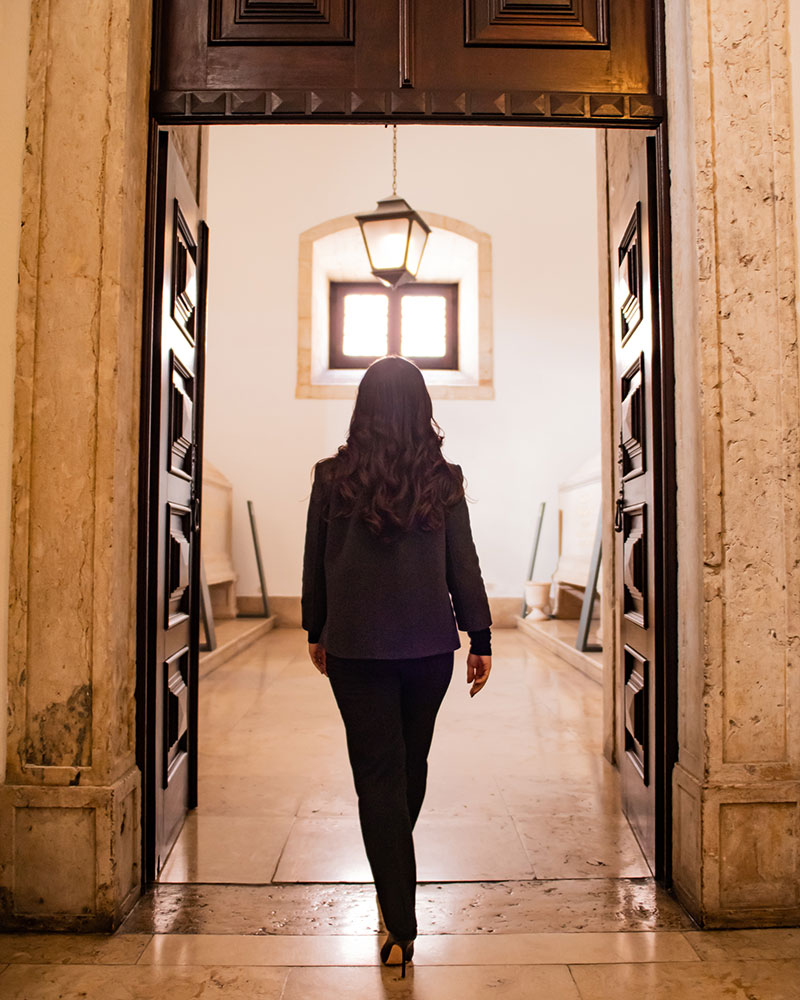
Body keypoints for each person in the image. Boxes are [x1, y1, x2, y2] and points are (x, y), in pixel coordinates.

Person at [301, 355, 492, 977]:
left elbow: (316, 560)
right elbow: (463, 560)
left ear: (362, 408)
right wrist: (479, 632)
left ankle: (395, 911)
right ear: (422, 409)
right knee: (409, 767)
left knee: (380, 777)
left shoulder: (333, 477)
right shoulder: (444, 477)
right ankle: (399, 913)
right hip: (429, 648)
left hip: (355, 646)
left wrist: (315, 627)